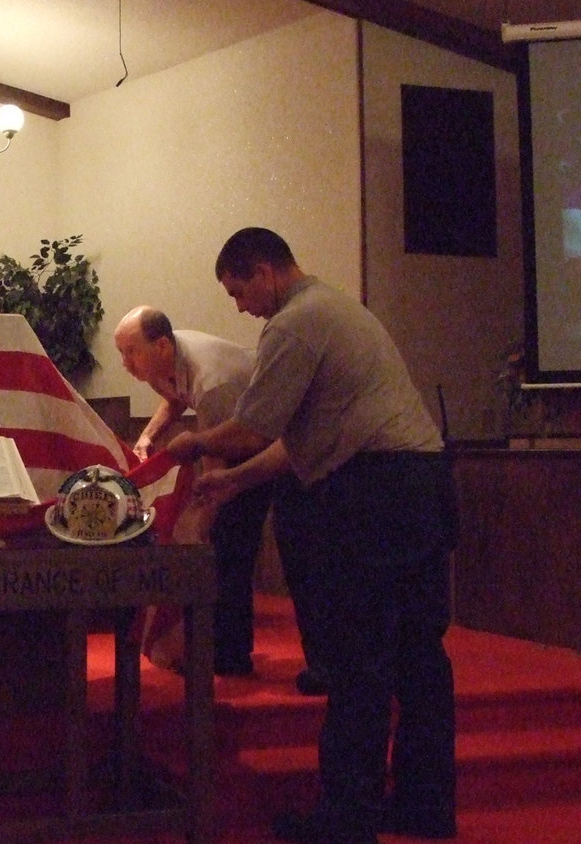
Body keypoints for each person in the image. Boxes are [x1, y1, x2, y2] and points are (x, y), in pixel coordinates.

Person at [166, 227, 457, 842]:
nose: (240, 308)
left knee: (357, 657)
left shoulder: (294, 323)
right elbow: (294, 444)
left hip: (375, 494)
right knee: (418, 656)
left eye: (238, 291)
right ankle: (424, 805)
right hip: (422, 483)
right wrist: (232, 483)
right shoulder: (336, 308)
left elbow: (253, 428)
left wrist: (195, 443)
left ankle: (345, 817)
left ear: (264, 271)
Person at [113, 305, 272, 677]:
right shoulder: (159, 364)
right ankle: (209, 646)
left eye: (131, 352)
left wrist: (200, 522)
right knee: (216, 543)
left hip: (265, 444)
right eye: (121, 353)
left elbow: (219, 458)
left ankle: (230, 656)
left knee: (228, 547)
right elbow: (173, 399)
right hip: (229, 435)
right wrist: (147, 437)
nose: (125, 363)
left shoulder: (210, 380)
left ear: (162, 345)